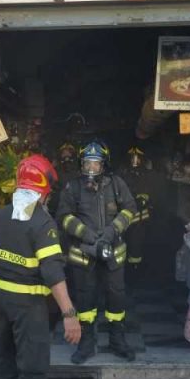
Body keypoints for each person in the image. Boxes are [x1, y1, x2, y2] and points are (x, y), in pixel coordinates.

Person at [0, 154, 81, 379]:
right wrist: (69, 315)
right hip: (29, 307)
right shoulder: (42, 222)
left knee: (6, 366)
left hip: (1, 302)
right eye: (49, 193)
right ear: (43, 189)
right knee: (33, 371)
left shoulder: (1, 216)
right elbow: (53, 274)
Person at [56, 140, 138, 364]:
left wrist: (110, 233)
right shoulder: (72, 187)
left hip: (113, 252)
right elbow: (63, 217)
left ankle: (117, 341)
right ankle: (86, 343)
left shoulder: (116, 184)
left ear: (104, 165)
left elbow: (130, 209)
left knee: (116, 297)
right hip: (83, 254)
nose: (91, 169)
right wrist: (90, 237)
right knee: (85, 298)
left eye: (96, 164)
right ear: (81, 164)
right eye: (87, 164)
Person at [117, 146, 154, 275]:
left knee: (137, 241)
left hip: (140, 217)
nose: (135, 160)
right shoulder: (122, 173)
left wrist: (143, 199)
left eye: (138, 158)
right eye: (132, 157)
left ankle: (135, 267)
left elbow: (150, 190)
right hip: (124, 215)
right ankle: (124, 265)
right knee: (122, 241)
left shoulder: (146, 174)